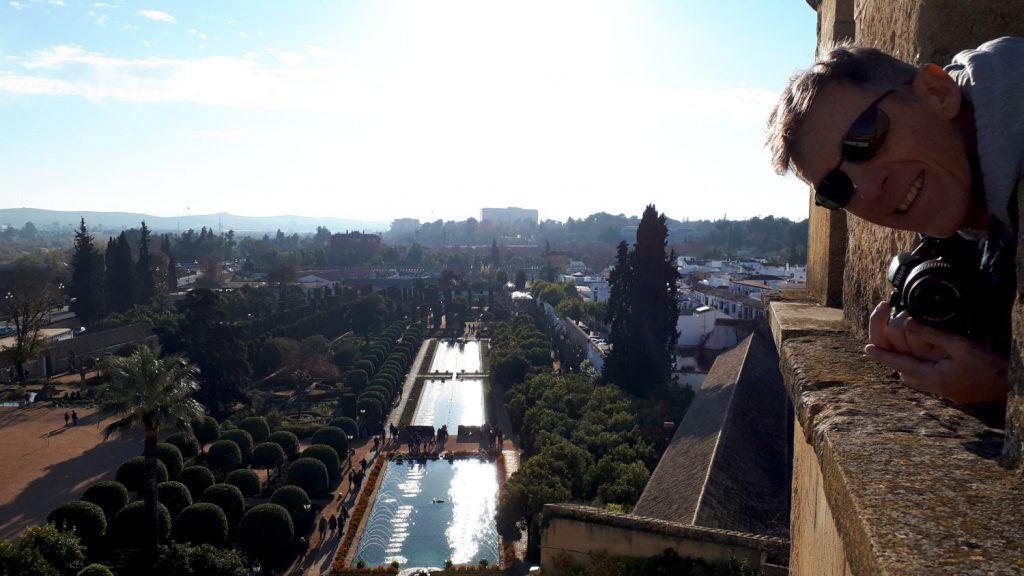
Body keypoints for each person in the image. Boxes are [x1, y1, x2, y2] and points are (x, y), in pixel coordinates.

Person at [767, 37, 1024, 405]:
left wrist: (1007, 389)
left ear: (937, 93)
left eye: (864, 138)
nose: (869, 189)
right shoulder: (973, 241)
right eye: (836, 188)